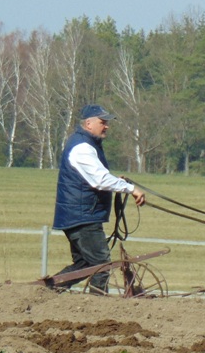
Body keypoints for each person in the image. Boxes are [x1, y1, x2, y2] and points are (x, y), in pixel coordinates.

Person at [53, 104, 145, 294]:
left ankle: (48, 290)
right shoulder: (82, 148)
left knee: (84, 265)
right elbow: (100, 180)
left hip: (77, 215)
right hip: (83, 216)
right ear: (89, 123)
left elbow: (96, 177)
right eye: (103, 122)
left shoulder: (85, 144)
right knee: (102, 265)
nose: (107, 126)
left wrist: (117, 182)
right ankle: (96, 307)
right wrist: (131, 189)